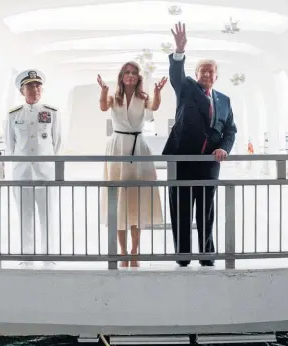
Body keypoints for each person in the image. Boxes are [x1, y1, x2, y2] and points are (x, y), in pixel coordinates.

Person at [162, 22, 237, 267]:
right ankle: (183, 256)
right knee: (181, 209)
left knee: (206, 210)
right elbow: (175, 75)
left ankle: (207, 255)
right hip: (183, 161)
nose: (206, 74)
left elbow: (230, 130)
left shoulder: (224, 100)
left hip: (209, 163)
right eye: (202, 71)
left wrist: (224, 147)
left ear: (216, 75)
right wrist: (179, 51)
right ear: (196, 75)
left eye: (210, 71)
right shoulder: (187, 89)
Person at [98, 62, 166, 267]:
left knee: (136, 201)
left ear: (138, 77)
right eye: (127, 72)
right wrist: (103, 91)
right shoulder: (114, 98)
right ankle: (123, 250)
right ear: (121, 76)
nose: (130, 75)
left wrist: (156, 91)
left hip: (138, 148)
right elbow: (103, 106)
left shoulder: (143, 98)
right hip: (117, 146)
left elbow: (154, 106)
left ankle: (135, 250)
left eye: (134, 73)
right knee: (118, 200)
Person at [5, 69, 63, 266]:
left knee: (47, 215)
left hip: (45, 172)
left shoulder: (51, 112)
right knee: (25, 215)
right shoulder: (13, 115)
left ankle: (48, 255)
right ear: (22, 90)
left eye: (38, 85)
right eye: (30, 85)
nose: (35, 88)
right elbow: (10, 145)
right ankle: (26, 256)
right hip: (21, 172)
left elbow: (57, 143)